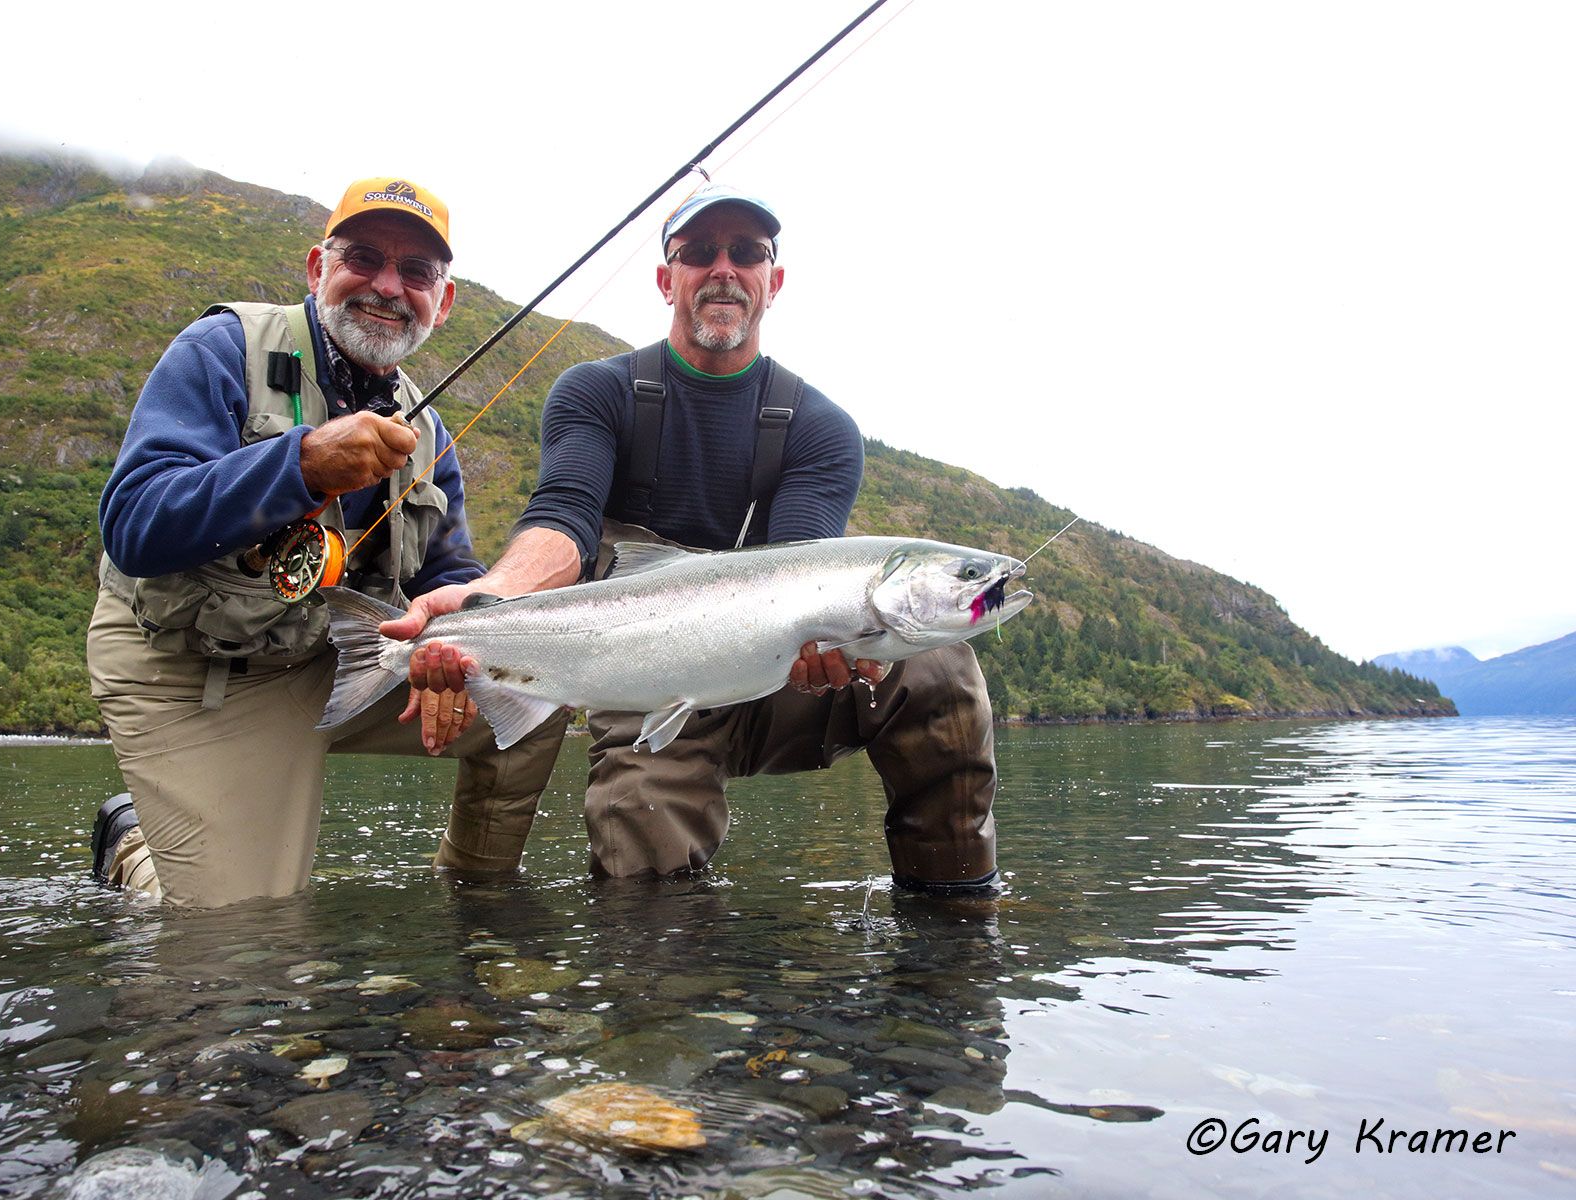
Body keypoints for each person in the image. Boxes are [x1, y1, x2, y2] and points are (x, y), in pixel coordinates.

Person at [383, 183, 1001, 893]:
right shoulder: (596, 392)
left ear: (773, 281)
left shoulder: (822, 428)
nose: (723, 269)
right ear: (665, 278)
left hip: (780, 679)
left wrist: (831, 645)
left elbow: (802, 569)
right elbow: (564, 520)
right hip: (648, 683)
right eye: (700, 251)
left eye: (747, 252)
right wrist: (489, 600)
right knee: (642, 871)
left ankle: (955, 914)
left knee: (938, 667)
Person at [85, 176, 567, 908]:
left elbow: (449, 568)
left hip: (336, 654)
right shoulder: (223, 347)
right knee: (240, 934)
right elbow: (134, 525)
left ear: (442, 301)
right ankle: (133, 847)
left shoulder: (429, 432)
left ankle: (476, 905)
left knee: (536, 689)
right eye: (363, 258)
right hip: (190, 666)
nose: (387, 286)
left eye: (416, 272)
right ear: (318, 268)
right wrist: (300, 465)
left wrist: (462, 626)